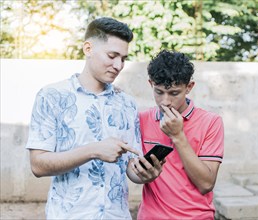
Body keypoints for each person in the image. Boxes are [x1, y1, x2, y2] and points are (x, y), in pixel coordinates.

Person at [25, 17, 163, 220]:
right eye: (112, 55)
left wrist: (146, 174)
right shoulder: (51, 95)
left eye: (123, 58)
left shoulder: (127, 103)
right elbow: (38, 165)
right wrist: (93, 151)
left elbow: (130, 169)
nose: (118, 65)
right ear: (88, 48)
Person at [136, 50, 225, 220]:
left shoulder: (211, 122)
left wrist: (178, 136)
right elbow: (133, 171)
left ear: (189, 87)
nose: (165, 101)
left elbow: (206, 184)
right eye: (159, 92)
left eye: (174, 93)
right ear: (151, 84)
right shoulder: (142, 120)